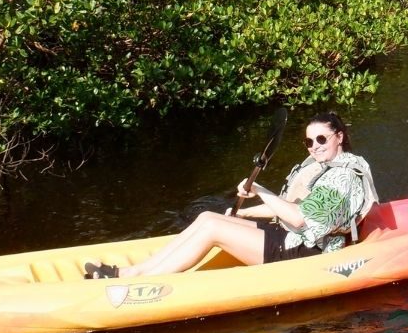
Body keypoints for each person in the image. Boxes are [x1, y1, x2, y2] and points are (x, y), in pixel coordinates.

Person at [84, 112, 376, 279]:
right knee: (208, 216)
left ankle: (140, 281)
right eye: (309, 141)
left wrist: (259, 190)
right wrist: (244, 212)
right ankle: (131, 271)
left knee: (212, 228)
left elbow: (300, 219)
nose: (314, 146)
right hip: (289, 235)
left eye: (321, 138)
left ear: (339, 136)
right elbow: (290, 208)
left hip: (307, 251)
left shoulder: (342, 175)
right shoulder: (321, 166)